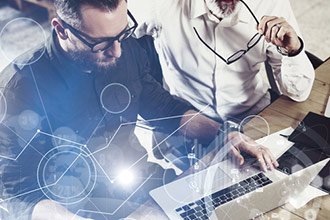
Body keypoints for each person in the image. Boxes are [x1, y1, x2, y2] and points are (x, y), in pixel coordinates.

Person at [0, 0, 278, 219]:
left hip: (140, 185)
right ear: (61, 29)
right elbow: (18, 194)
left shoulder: (123, 45)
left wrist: (225, 135)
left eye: (122, 34)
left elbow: (159, 103)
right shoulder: (19, 88)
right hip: (75, 208)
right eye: (100, 44)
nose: (118, 51)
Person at [128, 0, 315, 122]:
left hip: (254, 118)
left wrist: (293, 51)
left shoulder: (270, 4)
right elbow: (109, 29)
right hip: (187, 123)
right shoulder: (158, 4)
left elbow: (298, 93)